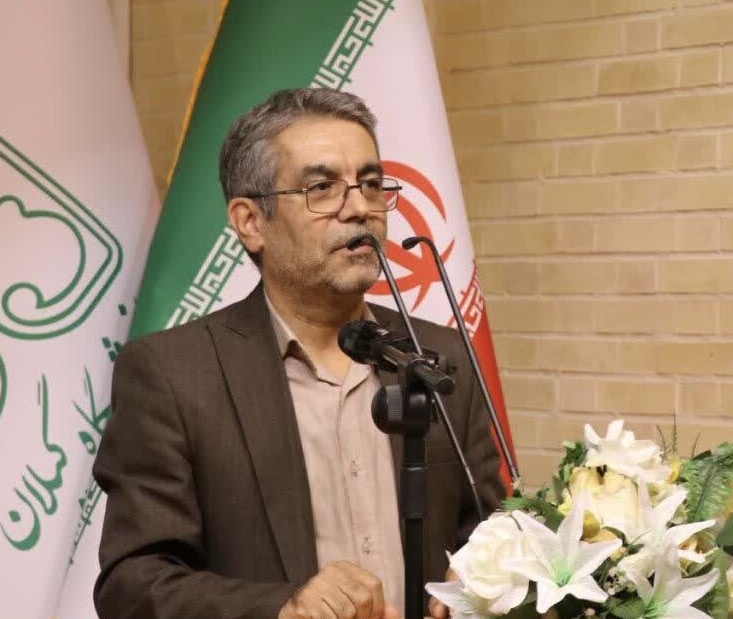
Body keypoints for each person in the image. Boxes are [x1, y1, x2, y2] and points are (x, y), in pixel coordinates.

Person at [93, 88, 504, 619]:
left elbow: (491, 525)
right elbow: (133, 584)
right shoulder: (173, 374)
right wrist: (281, 608)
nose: (360, 209)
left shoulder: (437, 356)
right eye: (321, 188)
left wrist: (483, 571)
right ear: (250, 221)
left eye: (371, 184)